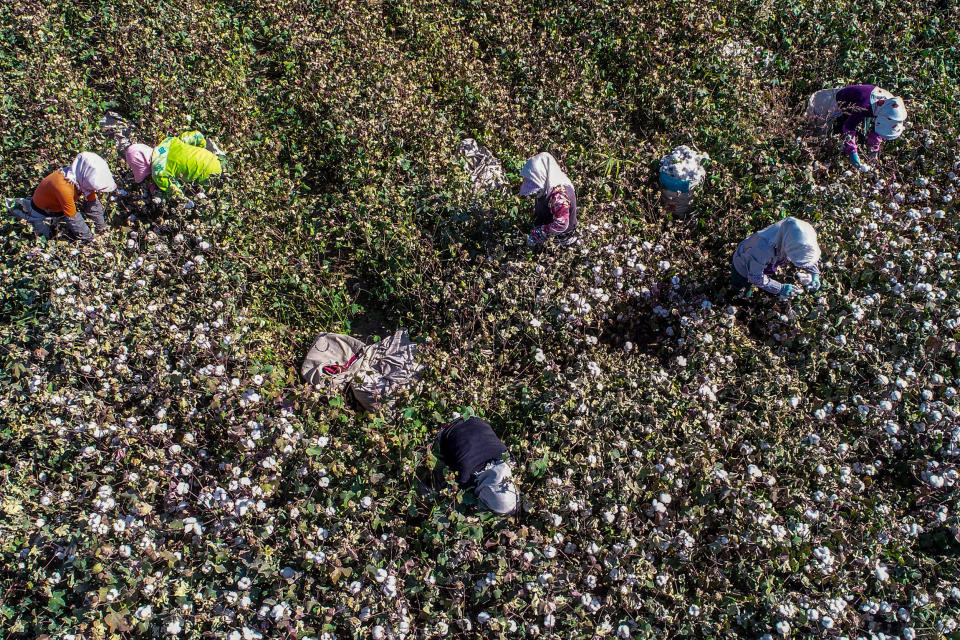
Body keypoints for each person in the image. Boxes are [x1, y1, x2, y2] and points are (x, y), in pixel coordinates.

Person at [809, 85, 907, 171]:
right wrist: (852, 152)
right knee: (818, 135)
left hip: (848, 106)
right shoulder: (865, 106)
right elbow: (848, 128)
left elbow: (879, 129)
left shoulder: (889, 105)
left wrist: (874, 150)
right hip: (826, 102)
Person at [434, 417, 518, 515]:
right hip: (448, 431)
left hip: (474, 419)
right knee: (439, 485)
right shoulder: (465, 478)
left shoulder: (507, 458)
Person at [27, 152, 116, 242]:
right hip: (40, 213)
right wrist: (89, 239)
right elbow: (73, 218)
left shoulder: (81, 178)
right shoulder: (64, 187)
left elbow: (92, 205)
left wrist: (102, 228)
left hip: (59, 210)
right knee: (45, 240)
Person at [731, 217, 822, 299]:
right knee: (742, 287)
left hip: (762, 261)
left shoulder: (797, 232)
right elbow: (755, 277)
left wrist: (814, 274)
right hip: (742, 268)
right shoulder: (762, 249)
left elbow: (806, 251)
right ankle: (737, 296)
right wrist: (780, 288)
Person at [124, 131, 223, 200]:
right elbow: (196, 136)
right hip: (214, 159)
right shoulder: (168, 141)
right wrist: (201, 148)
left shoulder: (158, 173)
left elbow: (176, 192)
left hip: (207, 178)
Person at [519, 152, 578, 247]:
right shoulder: (549, 184)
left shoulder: (559, 196)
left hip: (561, 242)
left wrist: (537, 234)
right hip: (550, 238)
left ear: (543, 174)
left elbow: (561, 224)